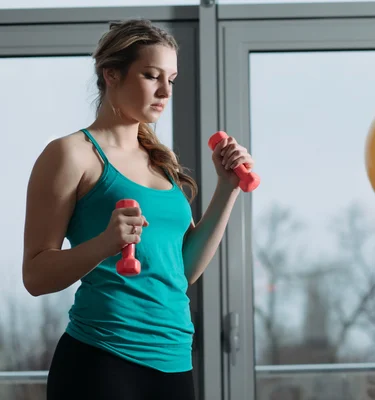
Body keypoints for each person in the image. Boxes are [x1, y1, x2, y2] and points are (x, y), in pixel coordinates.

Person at [21, 19, 254, 400]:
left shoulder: (161, 162)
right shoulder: (71, 154)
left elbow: (186, 268)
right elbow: (35, 275)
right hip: (101, 360)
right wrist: (105, 243)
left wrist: (227, 188)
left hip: (174, 359)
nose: (165, 91)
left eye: (172, 79)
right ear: (111, 74)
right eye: (151, 75)